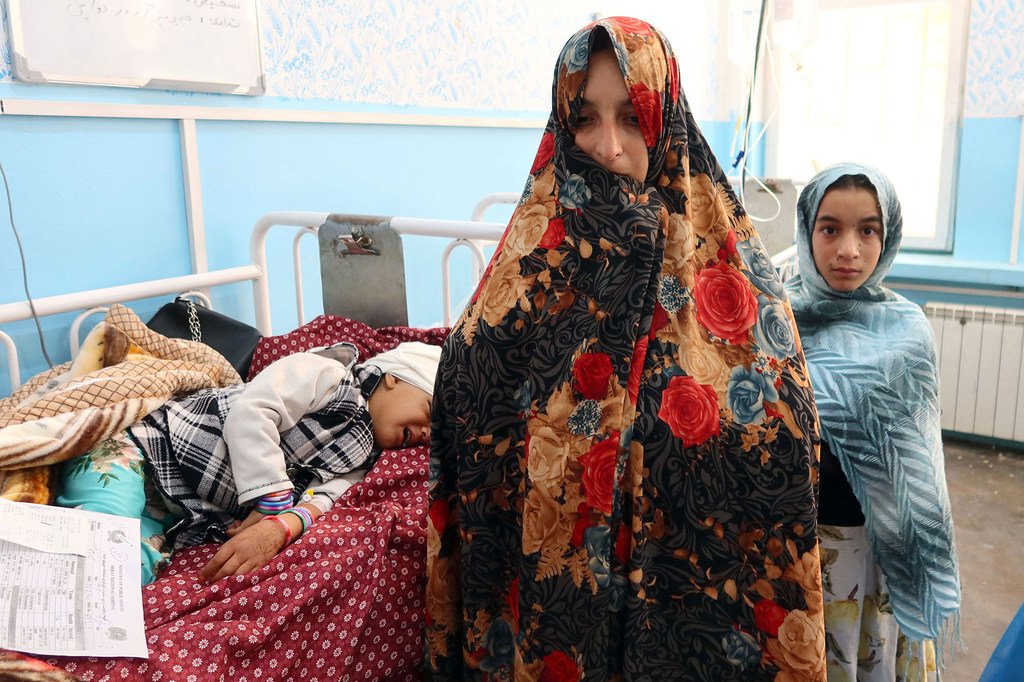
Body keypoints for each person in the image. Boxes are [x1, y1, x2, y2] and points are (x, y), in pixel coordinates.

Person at [426, 17, 825, 680]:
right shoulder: (527, 267)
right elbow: (469, 389)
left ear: (665, 121)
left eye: (633, 119)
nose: (607, 147)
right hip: (553, 618)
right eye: (584, 118)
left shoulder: (730, 270)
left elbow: (782, 432)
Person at [56, 341, 440, 585]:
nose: (426, 432)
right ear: (393, 379)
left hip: (177, 508)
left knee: (122, 572)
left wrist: (280, 527)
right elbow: (252, 412)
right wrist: (272, 497)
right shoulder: (328, 375)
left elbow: (324, 498)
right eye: (428, 410)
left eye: (436, 432)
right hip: (144, 450)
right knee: (101, 529)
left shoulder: (365, 457)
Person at [785, 163, 961, 680]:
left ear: (888, 237)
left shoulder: (908, 331)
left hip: (881, 546)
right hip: (803, 541)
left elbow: (919, 460)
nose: (848, 251)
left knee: (868, 658)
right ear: (806, 231)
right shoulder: (775, 321)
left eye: (868, 230)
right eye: (830, 228)